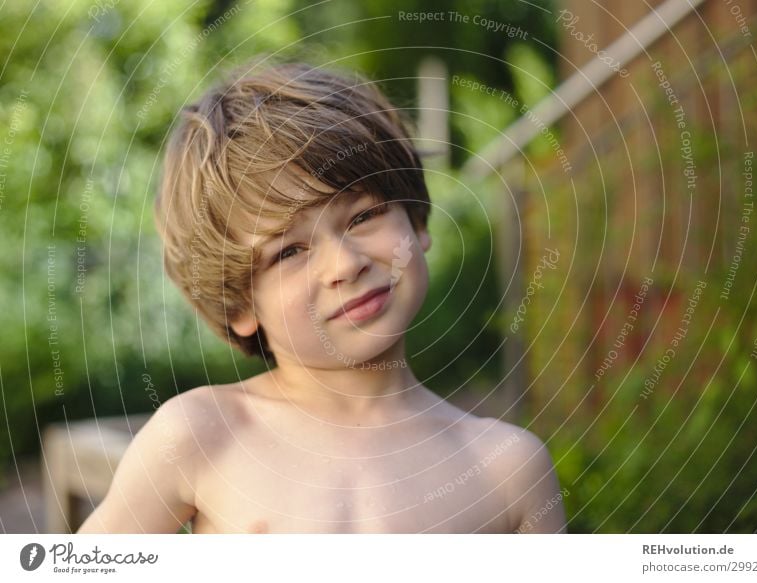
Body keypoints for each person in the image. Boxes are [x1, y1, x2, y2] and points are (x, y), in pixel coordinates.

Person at [78, 61, 566, 534]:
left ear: (416, 223)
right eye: (289, 251)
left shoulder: (506, 470)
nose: (345, 264)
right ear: (240, 306)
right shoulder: (200, 436)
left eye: (362, 217)